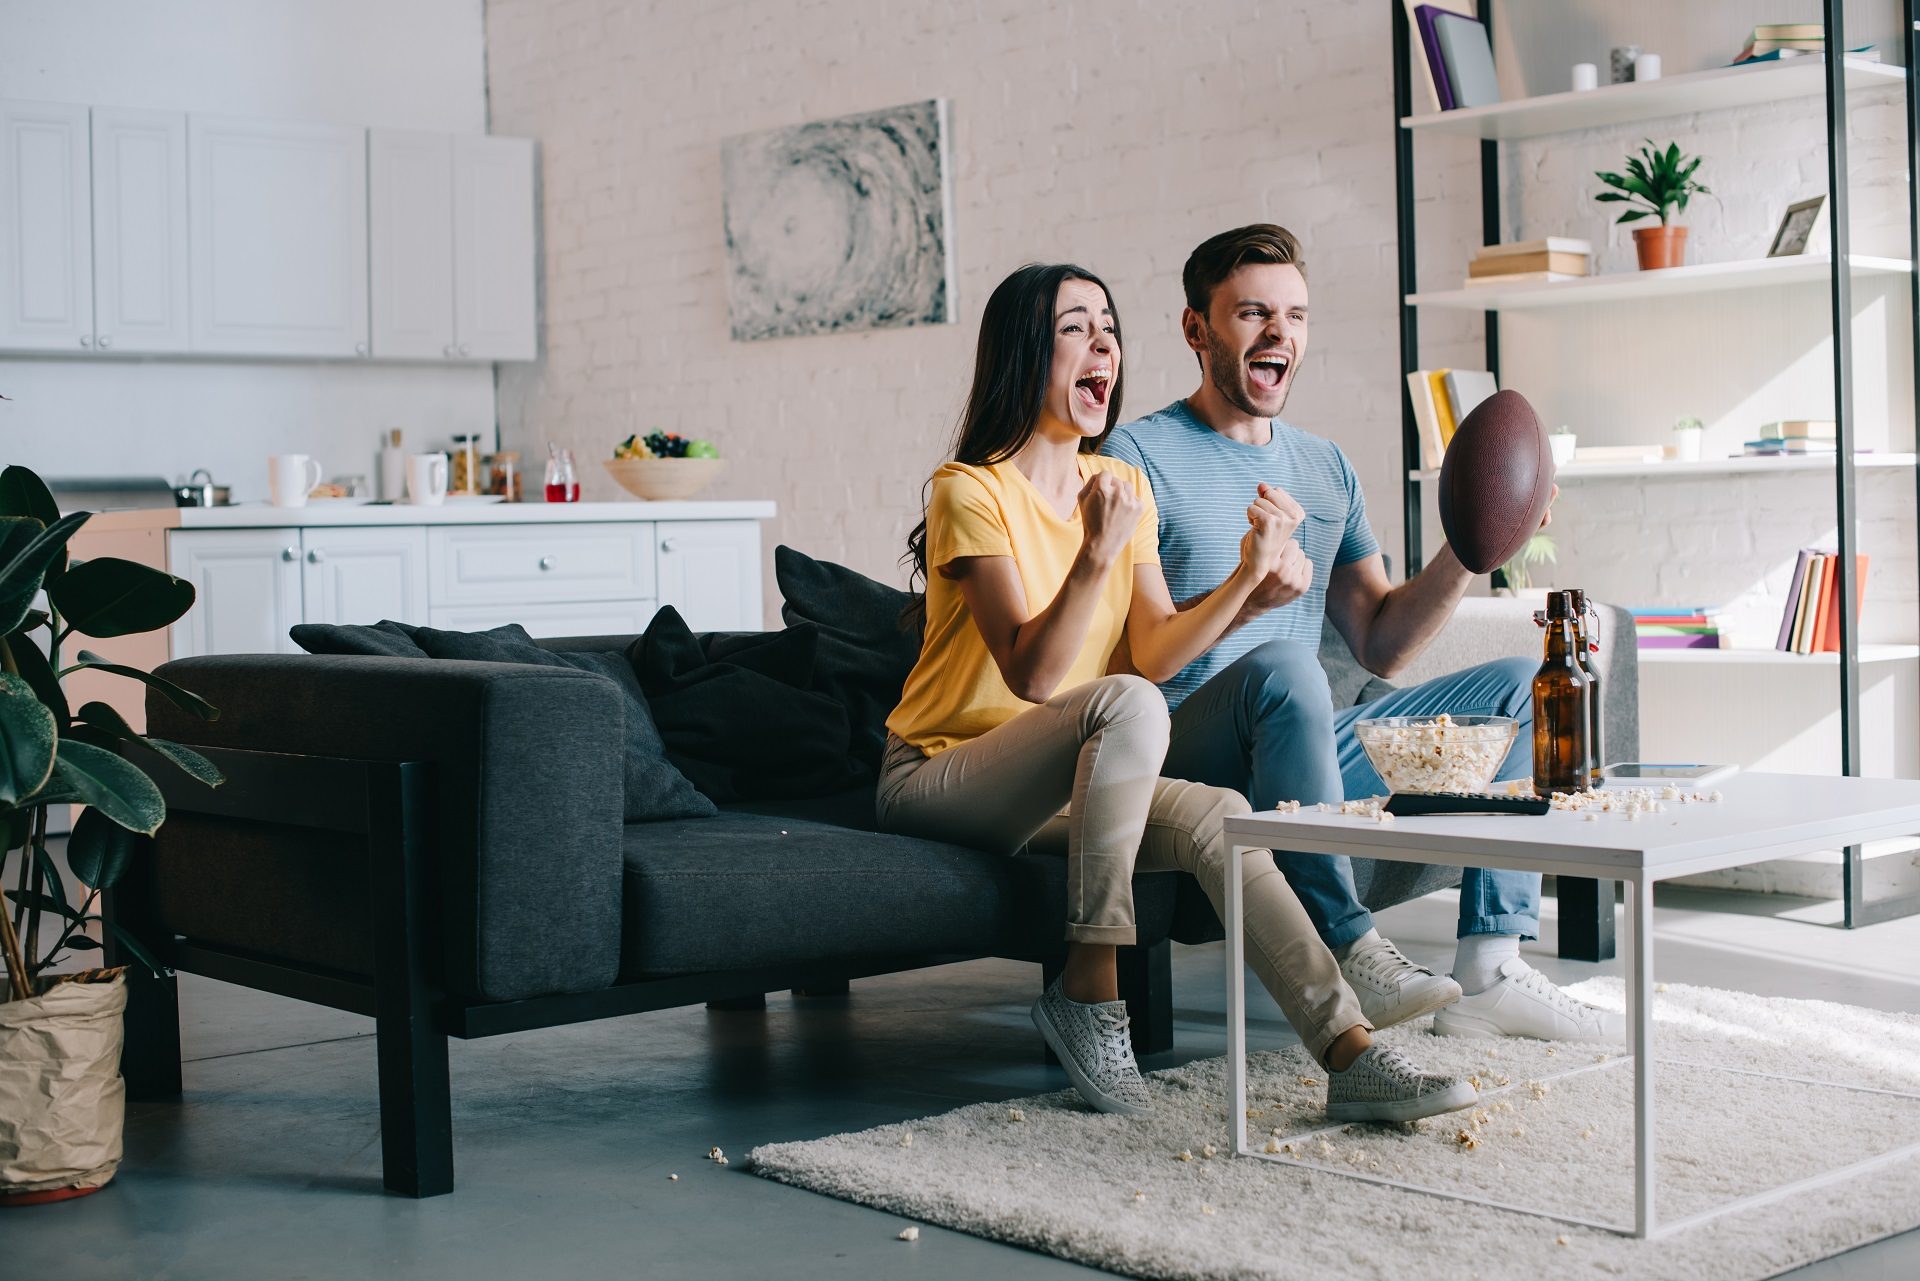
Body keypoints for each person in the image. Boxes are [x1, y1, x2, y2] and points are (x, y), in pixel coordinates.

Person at [878, 262, 1478, 1124]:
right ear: (1022, 352)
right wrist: (1094, 554)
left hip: (1058, 774)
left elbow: (1154, 651)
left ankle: (1350, 1052)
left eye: (1110, 328)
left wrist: (1249, 582)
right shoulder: (968, 489)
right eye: (1077, 326)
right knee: (1122, 703)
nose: (1104, 345)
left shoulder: (1119, 491)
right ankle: (1089, 991)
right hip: (942, 775)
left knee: (1219, 815)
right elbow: (1034, 675)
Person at [1102, 225, 1622, 1043]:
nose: (1281, 334)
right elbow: (1138, 653)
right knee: (1287, 666)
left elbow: (1382, 642)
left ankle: (1488, 965)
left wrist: (1473, 548)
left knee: (1521, 683)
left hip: (1301, 736)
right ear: (1196, 329)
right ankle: (1352, 950)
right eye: (1253, 314)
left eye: (1296, 315)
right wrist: (1247, 594)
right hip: (1186, 745)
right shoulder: (1135, 455)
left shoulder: (1325, 466)